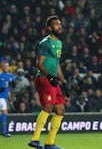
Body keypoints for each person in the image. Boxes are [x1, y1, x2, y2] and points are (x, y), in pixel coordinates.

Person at [28, 15, 67, 149]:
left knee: (60, 110)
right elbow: (39, 63)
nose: (59, 26)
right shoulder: (45, 43)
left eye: (60, 24)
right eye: (56, 24)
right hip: (44, 78)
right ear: (50, 28)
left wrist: (64, 81)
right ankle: (35, 139)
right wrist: (50, 76)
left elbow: (56, 65)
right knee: (48, 107)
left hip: (53, 79)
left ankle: (50, 143)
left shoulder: (59, 43)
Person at [0, 61, 16, 137]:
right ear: (2, 67)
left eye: (7, 66)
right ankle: (4, 132)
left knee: (4, 114)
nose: (6, 67)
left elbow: (13, 87)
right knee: (4, 113)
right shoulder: (0, 76)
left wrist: (13, 84)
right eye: (4, 66)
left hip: (4, 98)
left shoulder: (11, 76)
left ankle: (4, 131)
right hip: (1, 97)